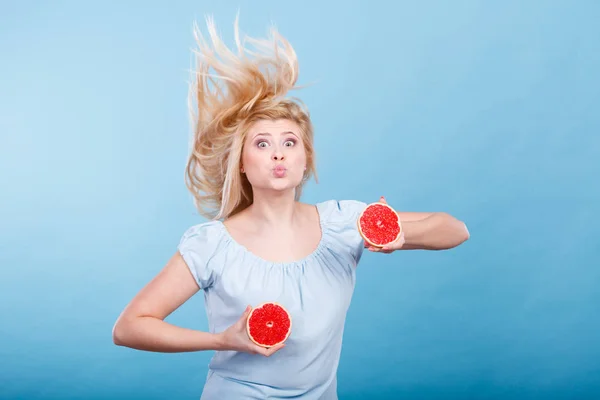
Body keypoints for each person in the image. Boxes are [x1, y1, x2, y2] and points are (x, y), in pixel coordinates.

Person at [112, 15, 470, 399]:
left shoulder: (343, 223)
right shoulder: (212, 244)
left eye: (290, 143)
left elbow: (455, 229)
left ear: (305, 160)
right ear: (242, 163)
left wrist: (401, 235)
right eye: (262, 144)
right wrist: (222, 339)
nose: (278, 154)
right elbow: (130, 326)